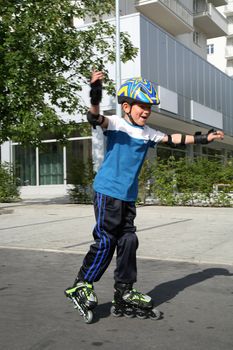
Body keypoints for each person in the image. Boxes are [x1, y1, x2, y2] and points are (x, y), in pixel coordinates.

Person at [65, 71, 224, 317]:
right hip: (108, 192)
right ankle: (81, 284)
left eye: (149, 107)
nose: (146, 111)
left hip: (127, 196)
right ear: (127, 106)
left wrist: (204, 137)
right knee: (107, 240)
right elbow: (94, 117)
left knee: (129, 240)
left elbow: (174, 139)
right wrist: (95, 90)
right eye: (142, 106)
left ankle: (124, 290)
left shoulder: (147, 132)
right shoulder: (117, 124)